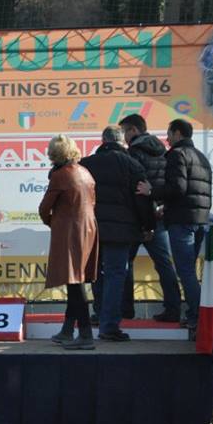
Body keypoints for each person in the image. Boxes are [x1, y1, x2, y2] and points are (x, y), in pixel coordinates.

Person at [80, 126, 154, 341]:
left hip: (91, 229)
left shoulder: (86, 164)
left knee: (96, 274)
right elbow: (142, 198)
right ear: (122, 142)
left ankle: (100, 314)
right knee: (115, 275)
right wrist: (148, 226)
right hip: (121, 231)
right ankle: (109, 325)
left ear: (103, 141)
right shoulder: (132, 164)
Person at [38, 135, 99, 350]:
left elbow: (44, 208)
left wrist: (53, 222)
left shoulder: (60, 175)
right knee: (76, 279)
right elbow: (92, 202)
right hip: (88, 228)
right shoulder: (85, 172)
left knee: (74, 282)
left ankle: (85, 334)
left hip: (70, 230)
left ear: (54, 154)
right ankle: (67, 330)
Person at [120, 114, 182, 322]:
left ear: (134, 130)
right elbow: (167, 184)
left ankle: (126, 309)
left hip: (136, 219)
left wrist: (143, 221)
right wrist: (160, 206)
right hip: (158, 215)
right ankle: (173, 308)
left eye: (125, 132)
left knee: (125, 263)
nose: (124, 137)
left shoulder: (133, 153)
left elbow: (134, 190)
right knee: (164, 263)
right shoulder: (163, 151)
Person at [153, 119, 212, 334]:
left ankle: (197, 317)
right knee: (190, 272)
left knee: (186, 272)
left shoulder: (177, 155)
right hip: (199, 219)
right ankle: (197, 315)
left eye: (169, 134)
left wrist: (152, 192)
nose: (167, 139)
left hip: (182, 221)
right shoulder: (201, 156)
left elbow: (177, 188)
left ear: (177, 133)